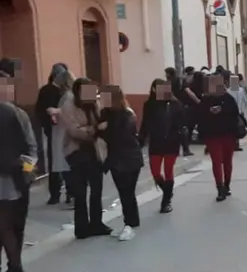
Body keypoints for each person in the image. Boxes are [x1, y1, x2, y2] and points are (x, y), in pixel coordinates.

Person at [60, 78, 111, 239]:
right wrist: (94, 129)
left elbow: (103, 121)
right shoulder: (69, 105)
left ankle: (96, 223)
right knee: (80, 192)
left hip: (94, 151)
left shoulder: (93, 104)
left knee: (97, 189)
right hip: (76, 152)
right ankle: (81, 227)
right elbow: (74, 131)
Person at [0, 72, 37, 272]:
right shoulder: (16, 113)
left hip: (12, 178)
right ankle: (15, 270)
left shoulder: (17, 113)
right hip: (13, 176)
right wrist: (26, 173)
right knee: (10, 226)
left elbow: (30, 147)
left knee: (10, 226)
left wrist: (26, 173)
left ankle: (15, 270)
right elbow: (30, 148)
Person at [97, 85, 143, 241]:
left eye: (104, 97)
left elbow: (121, 136)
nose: (101, 100)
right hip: (115, 159)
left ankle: (129, 224)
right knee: (124, 193)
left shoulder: (127, 114)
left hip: (130, 158)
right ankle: (131, 223)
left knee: (127, 192)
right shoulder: (105, 113)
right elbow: (101, 133)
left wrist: (104, 130)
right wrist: (100, 129)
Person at [139, 79, 185, 213]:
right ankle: (167, 190)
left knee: (168, 170)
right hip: (156, 142)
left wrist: (181, 137)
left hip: (171, 141)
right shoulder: (149, 105)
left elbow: (182, 122)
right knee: (155, 172)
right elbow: (145, 123)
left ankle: (166, 202)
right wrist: (141, 139)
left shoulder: (175, 104)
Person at [197, 74, 240, 201]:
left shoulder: (228, 99)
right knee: (216, 162)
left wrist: (222, 110)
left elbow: (235, 115)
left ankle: (227, 185)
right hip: (212, 135)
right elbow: (200, 117)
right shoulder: (205, 100)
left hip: (228, 135)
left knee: (227, 162)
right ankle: (220, 188)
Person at [35, 63, 72, 205]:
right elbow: (40, 110)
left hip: (66, 132)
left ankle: (68, 192)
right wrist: (47, 123)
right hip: (54, 132)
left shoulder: (67, 92)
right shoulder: (47, 91)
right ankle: (56, 193)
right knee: (55, 164)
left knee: (65, 162)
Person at [165, 67, 197, 156]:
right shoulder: (181, 81)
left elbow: (165, 96)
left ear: (169, 74)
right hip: (181, 107)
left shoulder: (166, 83)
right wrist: (198, 101)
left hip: (171, 108)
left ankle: (172, 149)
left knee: (171, 128)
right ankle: (186, 149)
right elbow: (189, 92)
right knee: (183, 128)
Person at [227, 72, 247, 152]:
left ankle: (232, 144)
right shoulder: (241, 90)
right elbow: (245, 100)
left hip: (230, 112)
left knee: (232, 128)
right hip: (239, 111)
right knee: (239, 126)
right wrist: (244, 109)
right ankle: (237, 144)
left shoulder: (228, 91)